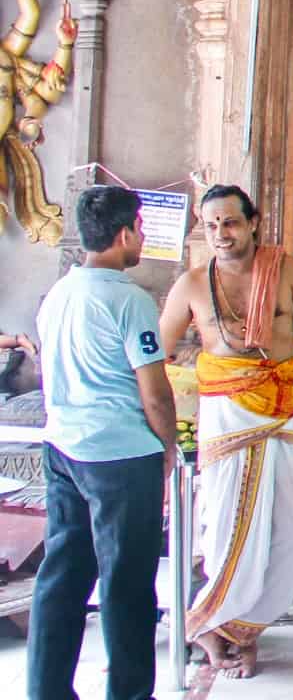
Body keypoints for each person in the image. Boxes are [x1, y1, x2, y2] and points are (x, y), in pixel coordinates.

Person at [158, 184, 293, 678]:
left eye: (230, 222)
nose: (221, 233)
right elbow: (161, 349)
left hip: (280, 411)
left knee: (287, 526)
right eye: (211, 225)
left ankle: (248, 629)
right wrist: (218, 373)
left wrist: (288, 375)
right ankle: (214, 626)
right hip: (225, 414)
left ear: (254, 222)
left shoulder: (287, 272)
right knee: (226, 528)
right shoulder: (192, 284)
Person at [29, 185, 176, 700]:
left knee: (63, 575)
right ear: (123, 234)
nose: (143, 236)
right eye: (140, 226)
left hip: (64, 449)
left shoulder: (59, 295)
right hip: (120, 455)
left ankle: (46, 691)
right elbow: (154, 392)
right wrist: (167, 449)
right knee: (127, 584)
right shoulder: (129, 299)